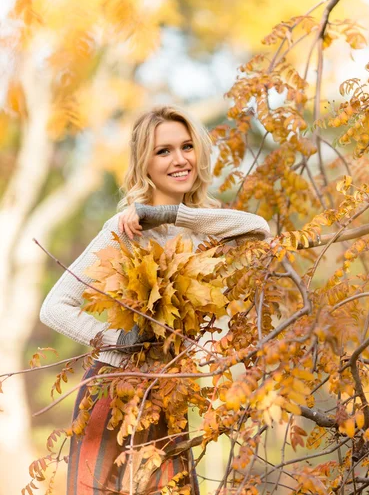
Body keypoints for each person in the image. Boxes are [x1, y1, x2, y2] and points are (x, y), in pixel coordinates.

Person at [40, 105, 271, 495]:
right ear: (143, 163)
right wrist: (118, 341)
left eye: (186, 147)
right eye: (163, 151)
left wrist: (171, 214)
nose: (180, 159)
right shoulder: (123, 230)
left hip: (169, 392)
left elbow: (258, 228)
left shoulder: (200, 227)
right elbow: (54, 306)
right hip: (114, 389)